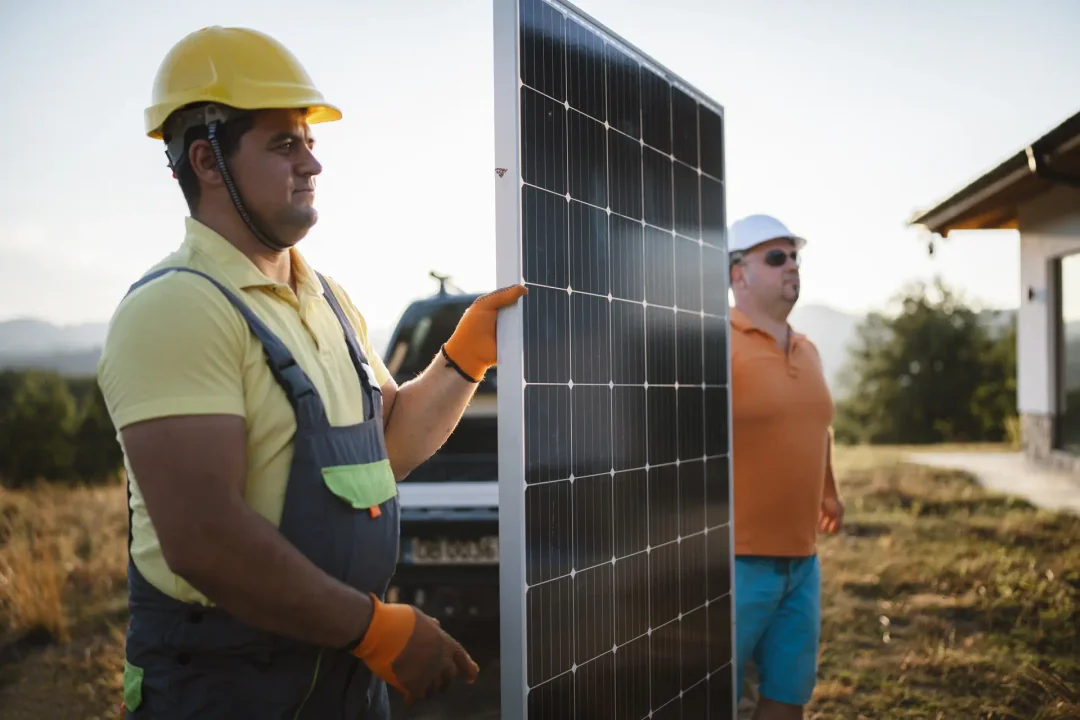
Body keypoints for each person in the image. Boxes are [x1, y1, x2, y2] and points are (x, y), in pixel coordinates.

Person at [98, 26, 525, 719]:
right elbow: (205, 540)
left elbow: (388, 445)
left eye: (310, 141)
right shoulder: (177, 307)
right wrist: (375, 629)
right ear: (208, 161)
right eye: (284, 145)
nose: (313, 164)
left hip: (341, 670)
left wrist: (466, 355)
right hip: (225, 685)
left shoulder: (325, 297)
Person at [727, 214, 844, 720]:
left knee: (788, 697)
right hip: (734, 563)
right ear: (739, 274)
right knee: (716, 701)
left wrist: (829, 492)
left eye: (794, 256)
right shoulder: (715, 345)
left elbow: (818, 426)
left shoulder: (809, 348)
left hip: (802, 562)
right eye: (776, 257)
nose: (792, 265)